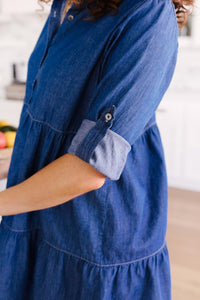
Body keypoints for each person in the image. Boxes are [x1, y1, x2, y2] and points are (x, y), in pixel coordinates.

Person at [0, 0, 194, 299]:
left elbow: (89, 168)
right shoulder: (65, 5)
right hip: (37, 219)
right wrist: (14, 158)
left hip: (94, 239)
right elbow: (59, 128)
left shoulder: (147, 12)